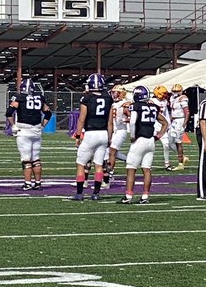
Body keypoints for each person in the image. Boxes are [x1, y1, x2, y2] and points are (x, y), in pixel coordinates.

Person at [119, 85, 167, 204]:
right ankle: (145, 196)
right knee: (146, 169)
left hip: (139, 139)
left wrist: (133, 136)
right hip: (150, 140)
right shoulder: (153, 107)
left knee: (131, 169)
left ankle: (128, 196)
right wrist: (159, 135)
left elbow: (133, 122)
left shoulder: (135, 106)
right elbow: (165, 122)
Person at [6, 77, 52, 190]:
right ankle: (38, 183)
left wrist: (13, 125)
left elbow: (9, 113)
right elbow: (48, 114)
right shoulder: (39, 98)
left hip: (24, 131)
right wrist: (42, 125)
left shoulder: (19, 97)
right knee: (35, 158)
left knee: (26, 159)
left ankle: (27, 183)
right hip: (36, 131)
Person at [71, 73, 111, 201]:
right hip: (104, 133)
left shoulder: (86, 98)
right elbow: (110, 122)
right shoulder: (108, 98)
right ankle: (96, 193)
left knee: (80, 164)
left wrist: (78, 136)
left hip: (91, 133)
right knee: (99, 164)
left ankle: (79, 193)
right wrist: (109, 138)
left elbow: (81, 119)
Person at [105, 84, 130, 183]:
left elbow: (133, 116)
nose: (114, 95)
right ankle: (131, 160)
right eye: (113, 93)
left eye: (117, 93)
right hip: (113, 130)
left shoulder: (125, 104)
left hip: (120, 130)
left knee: (111, 151)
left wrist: (127, 119)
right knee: (110, 152)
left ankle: (110, 173)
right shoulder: (112, 103)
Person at [167, 83, 190, 170]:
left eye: (177, 91)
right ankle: (183, 157)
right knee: (169, 142)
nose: (175, 92)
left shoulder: (183, 98)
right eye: (174, 91)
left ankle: (181, 164)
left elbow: (186, 112)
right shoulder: (172, 98)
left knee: (178, 142)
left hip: (180, 120)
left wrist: (184, 123)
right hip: (174, 121)